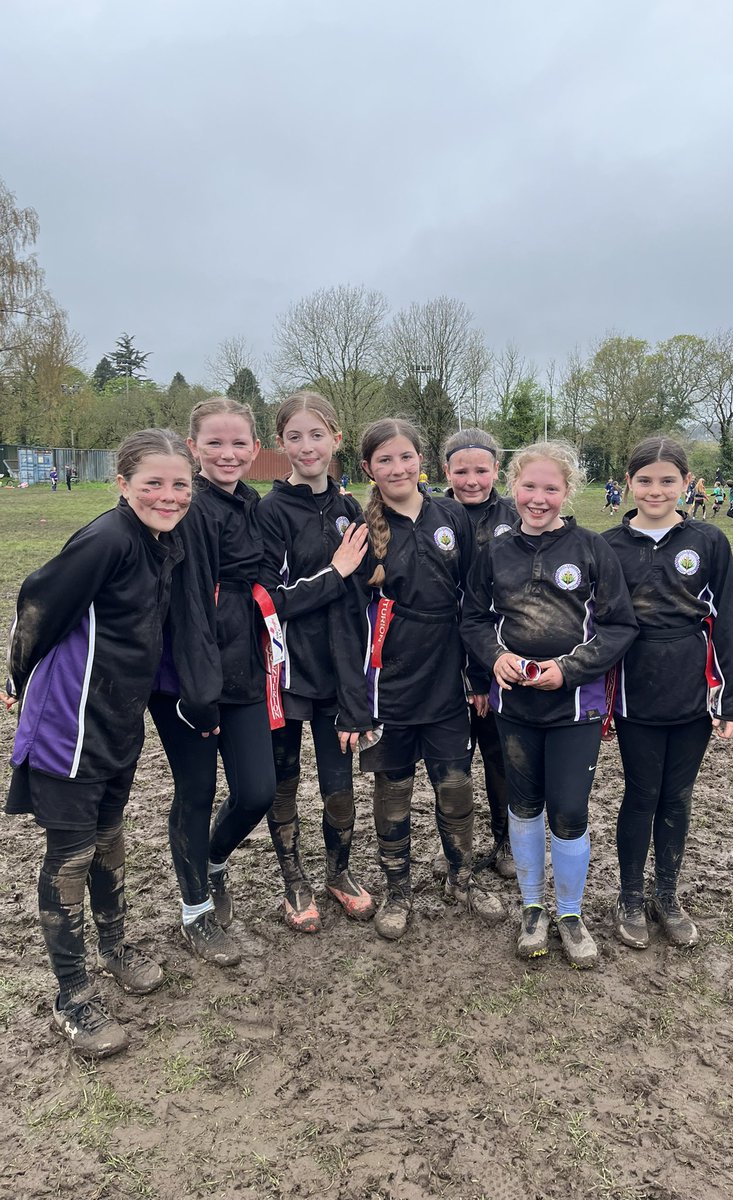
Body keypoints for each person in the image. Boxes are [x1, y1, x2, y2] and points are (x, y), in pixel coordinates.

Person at [5, 429, 195, 1057]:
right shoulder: (108, 538)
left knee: (110, 836)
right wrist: (17, 676)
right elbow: (37, 600)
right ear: (122, 484)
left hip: (119, 719)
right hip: (71, 721)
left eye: (179, 485)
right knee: (72, 853)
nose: (168, 496)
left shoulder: (158, 542)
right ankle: (72, 996)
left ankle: (114, 948)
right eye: (153, 485)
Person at [463, 441, 638, 969]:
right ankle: (532, 908)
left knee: (568, 810)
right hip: (515, 707)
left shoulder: (590, 548)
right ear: (513, 487)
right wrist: (495, 657)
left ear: (568, 491)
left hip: (574, 707)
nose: (539, 498)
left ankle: (569, 913)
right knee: (524, 806)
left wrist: (569, 670)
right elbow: (471, 619)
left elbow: (620, 625)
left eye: (551, 488)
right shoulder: (493, 551)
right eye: (529, 487)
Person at [355, 417, 505, 941]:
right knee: (393, 792)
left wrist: (480, 677)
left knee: (456, 786)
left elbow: (474, 604)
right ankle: (398, 891)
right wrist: (355, 700)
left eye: (405, 457)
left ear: (422, 461)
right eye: (385, 460)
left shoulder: (450, 516)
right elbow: (350, 619)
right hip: (388, 683)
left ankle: (461, 878)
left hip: (445, 678)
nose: (397, 468)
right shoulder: (360, 528)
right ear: (368, 469)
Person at [602, 437, 733, 950]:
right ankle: (629, 895)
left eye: (668, 480)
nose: (656, 489)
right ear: (629, 483)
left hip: (692, 685)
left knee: (677, 795)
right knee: (642, 792)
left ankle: (667, 893)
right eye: (645, 480)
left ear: (687, 483)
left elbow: (727, 618)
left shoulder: (709, 541)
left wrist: (732, 698)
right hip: (636, 688)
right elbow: (594, 625)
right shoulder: (609, 545)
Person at [149, 398, 275, 967]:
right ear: (193, 446)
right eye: (215, 443)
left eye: (239, 443)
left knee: (256, 791)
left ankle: (215, 860)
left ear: (254, 447)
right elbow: (192, 607)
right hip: (189, 679)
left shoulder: (251, 503)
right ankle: (195, 910)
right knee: (196, 793)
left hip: (244, 669)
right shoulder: (191, 510)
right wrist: (199, 694)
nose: (228, 454)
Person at [256, 392, 376, 932]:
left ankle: (338, 870)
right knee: (284, 779)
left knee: (338, 779)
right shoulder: (269, 511)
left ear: (337, 439)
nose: (307, 446)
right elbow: (271, 600)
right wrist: (336, 571)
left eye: (317, 435)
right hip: (286, 672)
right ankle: (292, 880)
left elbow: (361, 596)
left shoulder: (350, 509)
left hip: (337, 673)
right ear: (281, 443)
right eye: (295, 436)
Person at [440, 427, 519, 880]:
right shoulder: (432, 515)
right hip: (442, 658)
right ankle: (457, 849)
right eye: (461, 469)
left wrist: (487, 673)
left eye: (482, 469)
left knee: (498, 753)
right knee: (451, 759)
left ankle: (505, 839)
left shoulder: (515, 515)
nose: (472, 479)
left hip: (499, 658)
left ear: (496, 470)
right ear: (445, 470)